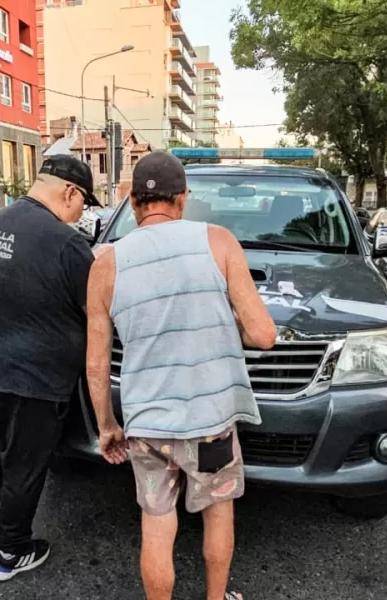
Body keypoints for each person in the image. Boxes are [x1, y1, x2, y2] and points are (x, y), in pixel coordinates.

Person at [85, 152, 277, 600]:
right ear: (183, 199)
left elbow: (96, 363)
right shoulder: (218, 241)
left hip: (148, 425)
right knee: (217, 510)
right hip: (211, 424)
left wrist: (107, 426)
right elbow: (263, 335)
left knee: (156, 523)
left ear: (133, 202)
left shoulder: (106, 265)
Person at [0, 154, 100, 582]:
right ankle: (10, 550)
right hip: (32, 377)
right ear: (70, 192)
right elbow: (98, 312)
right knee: (23, 464)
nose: (83, 213)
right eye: (84, 204)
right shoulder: (68, 244)